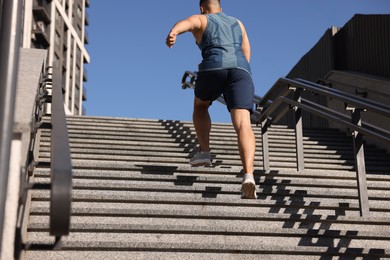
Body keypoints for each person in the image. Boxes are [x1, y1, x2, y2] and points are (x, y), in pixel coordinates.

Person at [166, 0, 257, 199]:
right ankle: (248, 175)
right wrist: (238, 74)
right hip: (241, 70)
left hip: (213, 67)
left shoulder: (202, 18)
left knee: (200, 105)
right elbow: (246, 50)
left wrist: (174, 32)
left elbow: (187, 23)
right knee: (243, 123)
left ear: (202, 7)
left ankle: (205, 151)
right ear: (220, 8)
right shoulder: (237, 23)